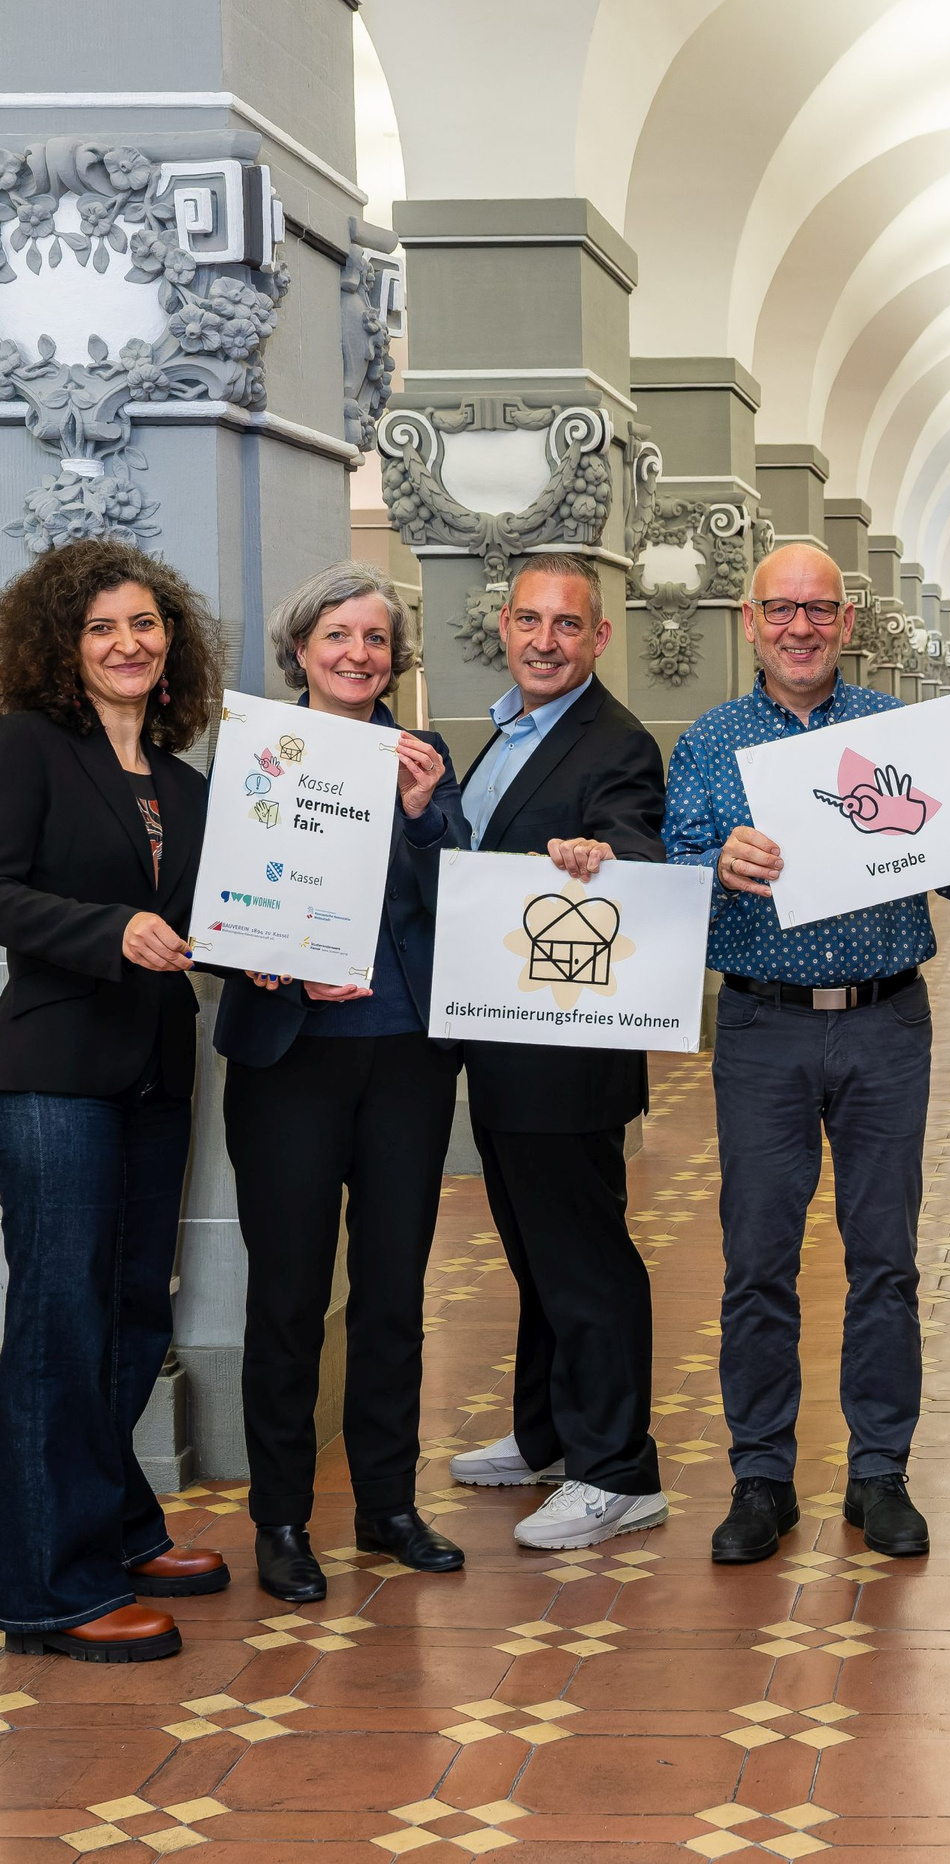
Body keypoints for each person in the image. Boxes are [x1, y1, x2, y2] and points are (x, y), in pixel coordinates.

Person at [665, 544, 950, 1564]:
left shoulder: (893, 734)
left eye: (819, 609)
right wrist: (712, 865)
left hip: (884, 1025)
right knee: (758, 1264)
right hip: (760, 1028)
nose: (800, 627)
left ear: (846, 619)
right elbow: (669, 874)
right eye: (781, 609)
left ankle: (880, 1473)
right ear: (750, 620)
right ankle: (761, 1478)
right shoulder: (710, 742)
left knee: (885, 1260)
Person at [216, 565, 469, 1602]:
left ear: (394, 656)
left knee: (395, 1292)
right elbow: (219, 895)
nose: (358, 652)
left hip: (404, 1052)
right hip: (290, 1059)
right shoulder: (256, 752)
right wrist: (248, 952)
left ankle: (387, 1504)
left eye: (376, 638)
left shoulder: (425, 757)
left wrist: (422, 814)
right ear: (303, 648)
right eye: (338, 635)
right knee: (285, 1297)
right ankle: (280, 1519)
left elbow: (459, 891)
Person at [0, 541, 225, 1662]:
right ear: (63, 647)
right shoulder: (28, 749)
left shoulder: (187, 786)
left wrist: (275, 955)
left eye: (144, 624)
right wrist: (105, 933)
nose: (128, 644)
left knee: (137, 1310)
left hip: (156, 1073)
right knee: (59, 1320)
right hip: (55, 1075)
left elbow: (212, 922)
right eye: (101, 629)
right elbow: (2, 893)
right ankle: (47, 1589)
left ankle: (119, 1526)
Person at [448, 553, 672, 1552]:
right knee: (537, 1256)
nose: (545, 641)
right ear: (504, 625)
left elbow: (633, 838)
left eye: (567, 626)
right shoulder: (499, 731)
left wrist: (602, 854)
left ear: (599, 638)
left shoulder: (613, 742)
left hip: (565, 1048)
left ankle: (619, 1471)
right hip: (500, 1044)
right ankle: (547, 1434)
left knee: (586, 1262)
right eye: (530, 622)